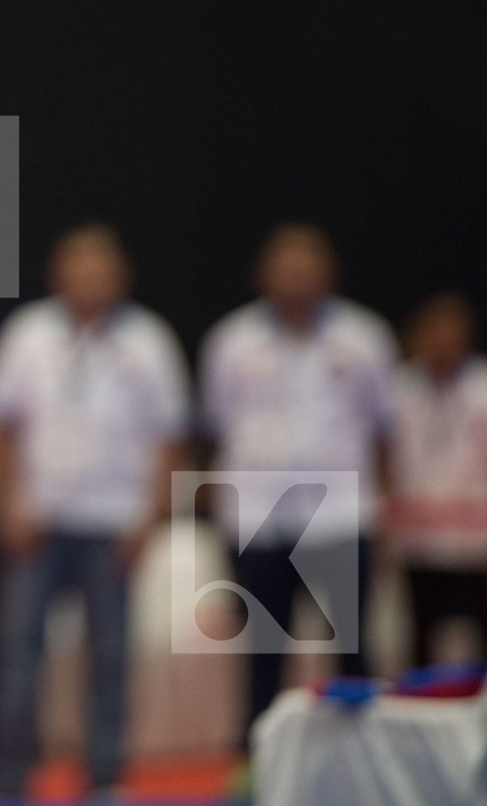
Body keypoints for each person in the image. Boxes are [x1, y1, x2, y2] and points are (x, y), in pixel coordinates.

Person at [0, 224, 188, 799]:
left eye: (101, 270)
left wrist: (152, 517)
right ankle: (10, 782)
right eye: (78, 269)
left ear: (122, 278)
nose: (89, 281)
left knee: (111, 658)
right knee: (17, 659)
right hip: (36, 522)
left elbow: (170, 438)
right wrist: (4, 507)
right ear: (57, 275)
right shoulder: (28, 335)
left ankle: (103, 780)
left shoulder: (149, 340)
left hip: (114, 524)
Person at [201, 223, 394, 735]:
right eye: (286, 270)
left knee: (352, 648)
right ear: (262, 275)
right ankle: (259, 762)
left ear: (328, 274)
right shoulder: (231, 342)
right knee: (263, 652)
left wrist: (384, 508)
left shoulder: (364, 338)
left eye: (307, 269)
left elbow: (382, 429)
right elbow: (220, 426)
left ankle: (361, 763)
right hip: (260, 518)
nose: (297, 280)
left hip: (339, 516)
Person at [387, 292, 487, 668]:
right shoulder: (397, 391)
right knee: (419, 637)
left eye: (452, 339)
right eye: (434, 338)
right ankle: (422, 716)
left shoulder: (482, 389)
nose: (443, 348)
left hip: (477, 541)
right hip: (419, 539)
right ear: (416, 339)